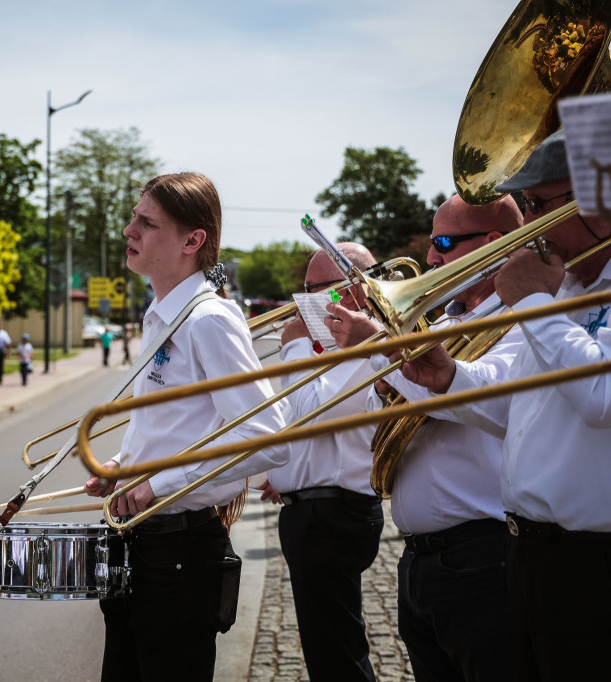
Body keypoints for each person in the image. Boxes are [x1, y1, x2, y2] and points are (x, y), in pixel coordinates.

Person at [392, 129, 611, 681]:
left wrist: (534, 304)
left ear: (599, 203)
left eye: (540, 205)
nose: (527, 228)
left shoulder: (548, 298)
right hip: (530, 555)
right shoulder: (563, 293)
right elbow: (511, 413)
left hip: (593, 564)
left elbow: (600, 399)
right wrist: (448, 377)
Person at [83, 172, 291, 681]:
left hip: (180, 551)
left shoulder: (208, 320)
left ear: (192, 241)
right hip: (145, 542)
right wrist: (122, 466)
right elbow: (162, 423)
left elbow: (268, 435)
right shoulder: (162, 315)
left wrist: (158, 483)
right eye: (134, 218)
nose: (128, 230)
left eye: (146, 222)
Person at [329, 195, 524, 682]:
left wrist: (380, 354)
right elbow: (394, 418)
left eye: (443, 243)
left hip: (482, 555)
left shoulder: (520, 320)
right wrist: (383, 380)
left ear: (492, 246)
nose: (432, 259)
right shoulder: (444, 321)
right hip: (421, 558)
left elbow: (477, 396)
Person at [256, 243, 384, 682]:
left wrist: (292, 350)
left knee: (337, 659)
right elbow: (295, 422)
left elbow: (318, 412)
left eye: (317, 290)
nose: (302, 302)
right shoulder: (328, 347)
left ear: (354, 289)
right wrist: (285, 474)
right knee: (329, 649)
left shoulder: (371, 341)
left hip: (332, 513)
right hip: (315, 508)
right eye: (304, 289)